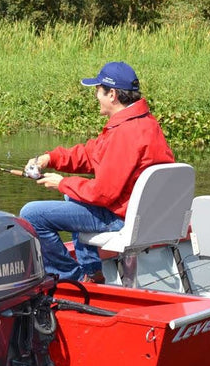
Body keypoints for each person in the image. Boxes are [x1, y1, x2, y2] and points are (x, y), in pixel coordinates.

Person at [19, 61, 174, 284]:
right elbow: (93, 154)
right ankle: (93, 272)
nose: (95, 96)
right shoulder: (143, 122)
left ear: (112, 94)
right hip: (141, 213)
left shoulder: (126, 133)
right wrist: (50, 158)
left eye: (97, 90)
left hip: (121, 217)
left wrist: (62, 183)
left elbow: (103, 194)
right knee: (72, 195)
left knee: (32, 214)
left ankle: (76, 279)